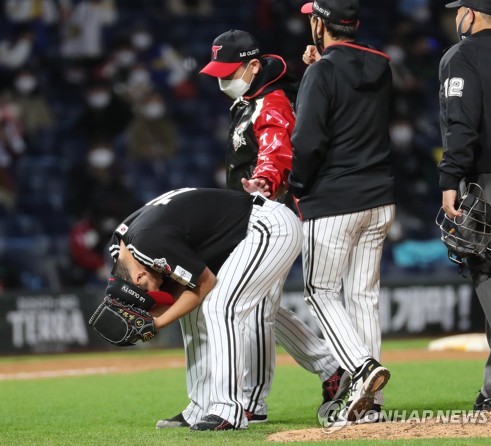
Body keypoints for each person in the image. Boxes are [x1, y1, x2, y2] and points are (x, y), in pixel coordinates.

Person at [155, 29, 345, 429]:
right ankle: (327, 367)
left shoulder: (271, 101)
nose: (223, 81)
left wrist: (265, 181)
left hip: (270, 214)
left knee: (248, 307)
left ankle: (251, 402)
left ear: (254, 66)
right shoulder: (246, 101)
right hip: (244, 218)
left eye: (230, 72)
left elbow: (278, 148)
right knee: (260, 306)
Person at [106, 187, 302, 430]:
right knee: (195, 312)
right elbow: (174, 287)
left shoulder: (148, 244)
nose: (152, 295)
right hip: (241, 233)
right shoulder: (121, 245)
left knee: (222, 307)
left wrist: (156, 323)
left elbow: (205, 283)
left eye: (147, 291)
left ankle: (228, 410)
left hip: (266, 226)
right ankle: (201, 406)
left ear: (138, 278)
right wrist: (153, 314)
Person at [288, 0, 396, 424]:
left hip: (334, 200)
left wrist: (298, 185)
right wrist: (321, 65)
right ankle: (371, 406)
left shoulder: (323, 71)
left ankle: (361, 370)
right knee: (363, 298)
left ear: (320, 23)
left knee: (320, 292)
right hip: (380, 197)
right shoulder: (381, 64)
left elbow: (309, 140)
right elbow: (350, 85)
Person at [438, 0, 491, 411]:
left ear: (472, 13)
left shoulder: (462, 55)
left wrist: (449, 179)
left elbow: (462, 123)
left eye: (458, 9)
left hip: (489, 181)